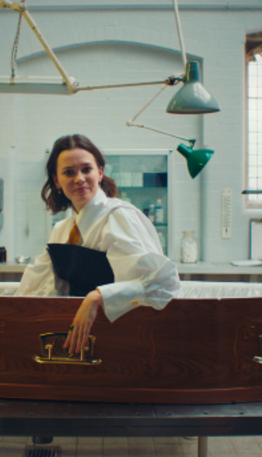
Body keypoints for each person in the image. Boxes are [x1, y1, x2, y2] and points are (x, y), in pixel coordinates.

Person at [15, 134, 181, 355]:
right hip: (80, 341)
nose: (79, 178)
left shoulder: (119, 217)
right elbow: (34, 287)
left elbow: (163, 282)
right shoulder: (61, 230)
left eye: (86, 169)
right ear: (56, 180)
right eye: (69, 172)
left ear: (100, 172)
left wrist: (98, 297)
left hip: (124, 337)